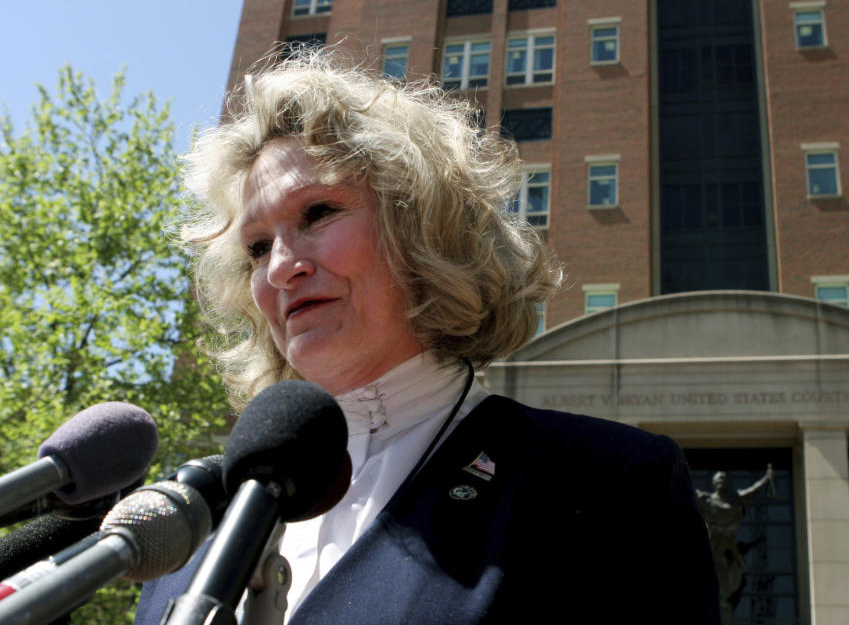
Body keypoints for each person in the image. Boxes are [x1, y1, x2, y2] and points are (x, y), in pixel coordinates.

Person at [134, 49, 720, 624]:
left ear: (423, 227)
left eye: (318, 214)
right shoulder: (183, 531)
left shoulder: (606, 486)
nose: (282, 266)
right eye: (257, 247)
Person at [696, 465, 775, 624]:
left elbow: (752, 490)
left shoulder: (735, 499)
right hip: (713, 545)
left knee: (733, 572)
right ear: (713, 483)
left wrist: (766, 478)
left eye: (724, 479)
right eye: (718, 479)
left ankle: (722, 598)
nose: (721, 482)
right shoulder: (706, 501)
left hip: (729, 547)